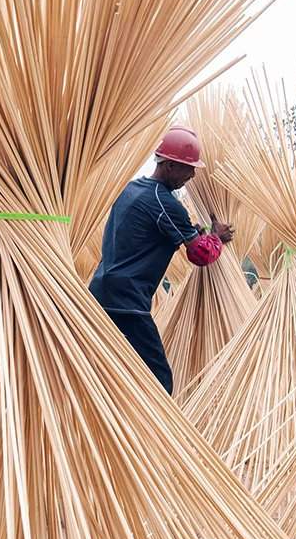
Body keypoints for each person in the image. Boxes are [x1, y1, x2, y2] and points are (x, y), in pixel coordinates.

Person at [88, 126, 234, 392]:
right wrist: (216, 238)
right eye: (187, 168)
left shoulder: (131, 189)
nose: (191, 175)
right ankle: (152, 433)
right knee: (159, 381)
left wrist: (196, 233)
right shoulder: (164, 202)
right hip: (127, 303)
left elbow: (157, 233)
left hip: (99, 293)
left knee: (110, 374)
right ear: (168, 166)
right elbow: (200, 255)